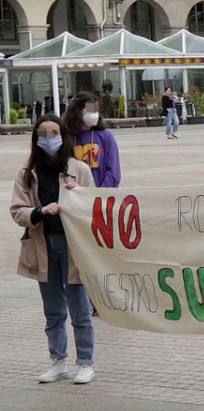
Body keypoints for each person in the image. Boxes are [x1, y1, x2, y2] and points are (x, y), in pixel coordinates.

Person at [10, 115, 97, 384]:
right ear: (35, 138)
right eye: (43, 134)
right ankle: (58, 361)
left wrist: (79, 193)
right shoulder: (27, 173)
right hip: (42, 245)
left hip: (73, 247)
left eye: (54, 132)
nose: (49, 139)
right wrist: (39, 210)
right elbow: (17, 210)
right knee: (53, 311)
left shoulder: (79, 168)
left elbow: (96, 208)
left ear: (63, 136)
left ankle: (85, 363)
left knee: (80, 309)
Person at [63, 92, 121, 188]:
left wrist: (99, 194)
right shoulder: (66, 137)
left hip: (101, 197)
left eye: (96, 110)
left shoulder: (106, 136)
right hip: (74, 194)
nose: (94, 113)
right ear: (77, 110)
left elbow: (113, 172)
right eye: (90, 109)